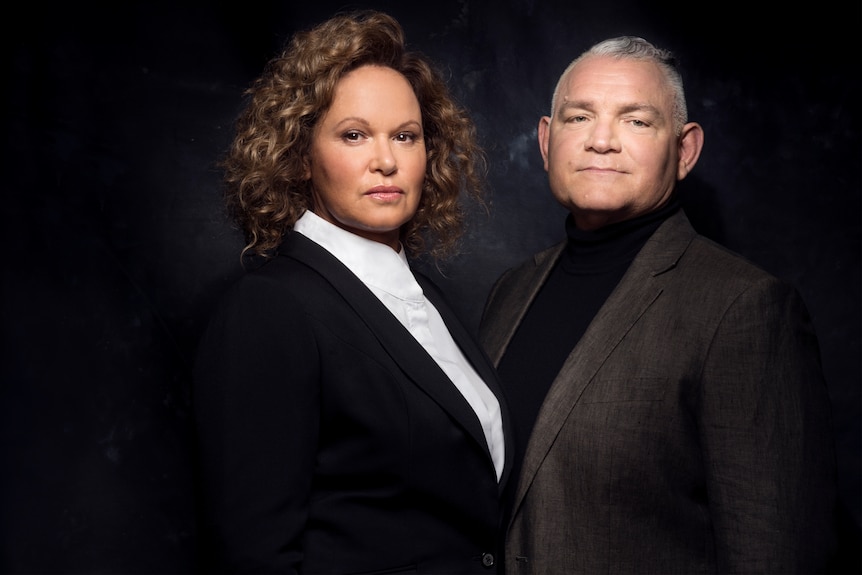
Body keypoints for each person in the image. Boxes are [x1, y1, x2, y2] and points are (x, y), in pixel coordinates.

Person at [479, 36, 838, 574]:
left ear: (686, 150)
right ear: (547, 142)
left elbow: (773, 550)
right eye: (579, 118)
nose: (601, 141)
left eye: (637, 121)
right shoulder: (510, 291)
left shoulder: (745, 309)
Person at [193, 10, 512, 574]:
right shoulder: (270, 308)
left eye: (406, 136)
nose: (385, 160)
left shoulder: (421, 295)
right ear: (299, 157)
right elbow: (255, 555)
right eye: (354, 134)